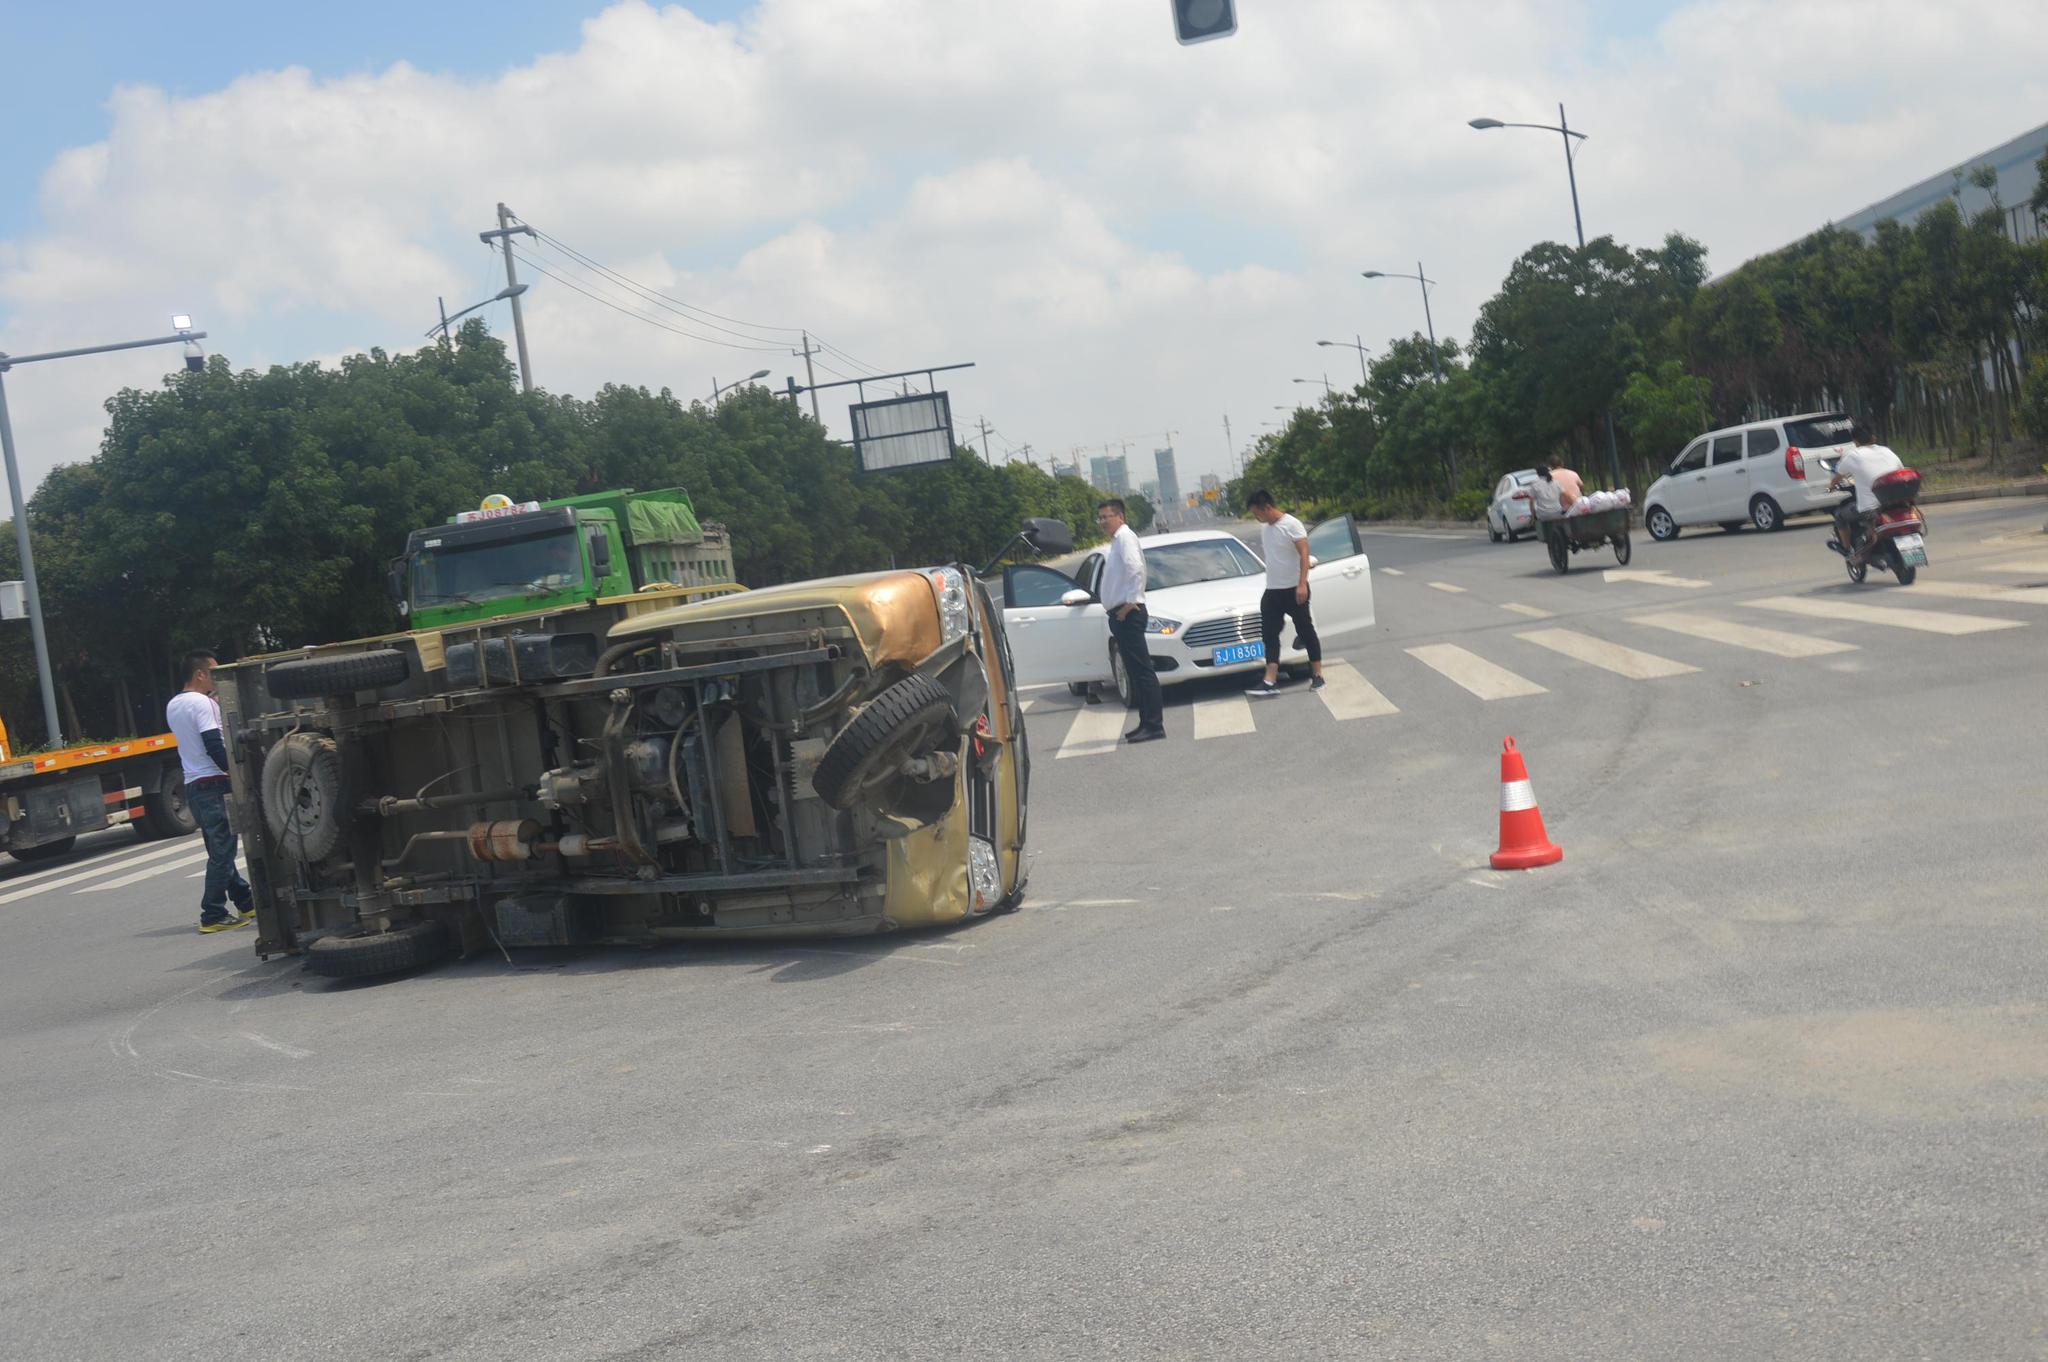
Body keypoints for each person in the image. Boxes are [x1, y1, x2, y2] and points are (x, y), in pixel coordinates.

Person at [166, 650, 253, 933]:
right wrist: (234, 772)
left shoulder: (174, 705)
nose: (217, 678)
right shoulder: (203, 703)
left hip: (194, 785)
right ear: (200, 674)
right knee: (223, 852)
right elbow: (214, 743)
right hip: (214, 783)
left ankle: (246, 900)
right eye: (213, 672)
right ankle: (212, 913)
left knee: (219, 849)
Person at [1095, 499, 1165, 744]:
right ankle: (1146, 722)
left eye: (1107, 516)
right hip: (1121, 614)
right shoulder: (1117, 541)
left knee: (1143, 671)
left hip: (1128, 614)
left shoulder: (1125, 538)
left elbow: (1136, 569)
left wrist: (1130, 604)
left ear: (1120, 517)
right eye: (1100, 518)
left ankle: (1154, 725)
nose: (1103, 521)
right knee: (1136, 671)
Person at [1243, 489, 1323, 697]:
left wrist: (1302, 584)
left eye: (1257, 513)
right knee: (1269, 634)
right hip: (1273, 590)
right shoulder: (1265, 529)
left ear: (1267, 508)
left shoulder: (1292, 525)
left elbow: (1304, 555)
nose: (1256, 518)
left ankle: (1317, 675)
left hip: (1294, 589)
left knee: (1305, 630)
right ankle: (1270, 681)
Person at [1826, 422, 1905, 555]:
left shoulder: (1853, 455)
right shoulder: (1887, 451)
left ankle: (1846, 550)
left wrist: (1830, 487)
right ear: (1873, 438)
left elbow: (1838, 476)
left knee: (1839, 515)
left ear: (1855, 441)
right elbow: (1901, 470)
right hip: (1897, 503)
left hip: (1870, 508)